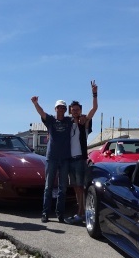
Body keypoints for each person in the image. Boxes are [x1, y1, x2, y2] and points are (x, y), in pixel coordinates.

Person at [31, 96, 73, 224]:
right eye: (59, 107)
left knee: (62, 188)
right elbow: (41, 112)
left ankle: (60, 214)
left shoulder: (69, 121)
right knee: (48, 186)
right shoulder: (50, 120)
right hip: (52, 158)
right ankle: (45, 213)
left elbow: (81, 117)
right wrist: (36, 103)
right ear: (55, 109)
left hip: (65, 158)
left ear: (65, 110)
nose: (61, 109)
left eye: (63, 108)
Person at [65, 81, 99, 225]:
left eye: (77, 109)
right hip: (70, 160)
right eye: (73, 110)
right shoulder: (68, 124)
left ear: (80, 111)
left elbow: (94, 109)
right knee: (75, 187)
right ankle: (81, 212)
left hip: (80, 160)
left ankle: (82, 213)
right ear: (70, 111)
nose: (75, 111)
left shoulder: (84, 123)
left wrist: (94, 94)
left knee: (81, 187)